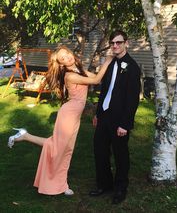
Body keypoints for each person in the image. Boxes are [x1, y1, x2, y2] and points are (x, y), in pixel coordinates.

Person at [7, 45, 113, 196]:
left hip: (75, 115)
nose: (67, 58)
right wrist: (108, 61)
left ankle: (62, 184)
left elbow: (95, 76)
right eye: (63, 58)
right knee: (57, 148)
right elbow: (96, 80)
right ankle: (25, 136)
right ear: (61, 64)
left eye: (67, 54)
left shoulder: (78, 69)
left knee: (67, 151)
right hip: (68, 114)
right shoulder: (69, 75)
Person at [89, 30, 141, 204]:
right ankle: (104, 184)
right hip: (104, 115)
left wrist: (125, 124)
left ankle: (120, 188)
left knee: (120, 155)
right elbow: (104, 90)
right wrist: (97, 113)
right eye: (113, 43)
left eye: (119, 42)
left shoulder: (132, 67)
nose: (115, 46)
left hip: (120, 120)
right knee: (100, 151)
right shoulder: (110, 63)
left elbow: (132, 100)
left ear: (126, 43)